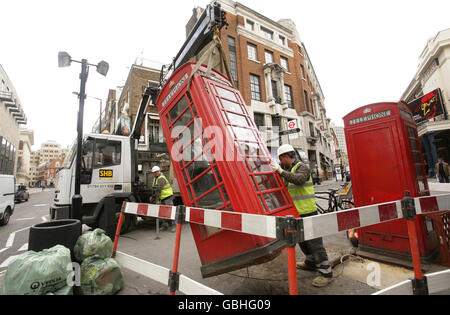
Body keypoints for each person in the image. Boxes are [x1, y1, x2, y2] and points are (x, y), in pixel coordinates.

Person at [270, 144, 334, 287]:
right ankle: (311, 262)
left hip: (308, 211)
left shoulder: (302, 167)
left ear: (286, 156)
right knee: (302, 241)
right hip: (295, 213)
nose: (280, 163)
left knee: (315, 243)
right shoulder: (287, 170)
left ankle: (326, 272)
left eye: (281, 159)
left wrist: (279, 171)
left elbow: (298, 180)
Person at [151, 166, 175, 232]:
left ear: (159, 171)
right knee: (163, 212)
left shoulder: (161, 178)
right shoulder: (156, 178)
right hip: (163, 197)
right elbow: (154, 188)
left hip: (167, 196)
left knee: (169, 211)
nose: (156, 173)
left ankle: (173, 225)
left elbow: (158, 189)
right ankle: (165, 225)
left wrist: (155, 198)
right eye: (154, 172)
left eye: (157, 171)